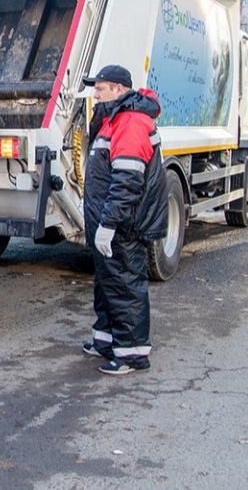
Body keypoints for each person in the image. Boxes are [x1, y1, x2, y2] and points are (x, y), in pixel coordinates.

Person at [80, 64, 168, 376]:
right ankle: (106, 339)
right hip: (113, 219)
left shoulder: (129, 121)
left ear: (119, 89)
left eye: (101, 88)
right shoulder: (114, 118)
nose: (95, 93)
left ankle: (132, 354)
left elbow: (127, 181)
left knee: (125, 284)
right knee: (108, 282)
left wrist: (109, 224)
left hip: (124, 224)